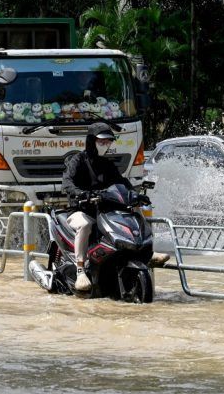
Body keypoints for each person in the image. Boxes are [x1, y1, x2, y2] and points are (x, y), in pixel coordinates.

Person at [62, 123, 168, 291]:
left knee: (135, 209)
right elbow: (67, 184)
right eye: (102, 142)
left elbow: (122, 183)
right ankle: (81, 270)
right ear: (91, 141)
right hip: (82, 209)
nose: (106, 145)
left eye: (108, 142)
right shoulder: (77, 161)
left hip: (105, 209)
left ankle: (146, 253)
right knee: (85, 225)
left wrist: (135, 195)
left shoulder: (107, 164)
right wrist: (81, 193)